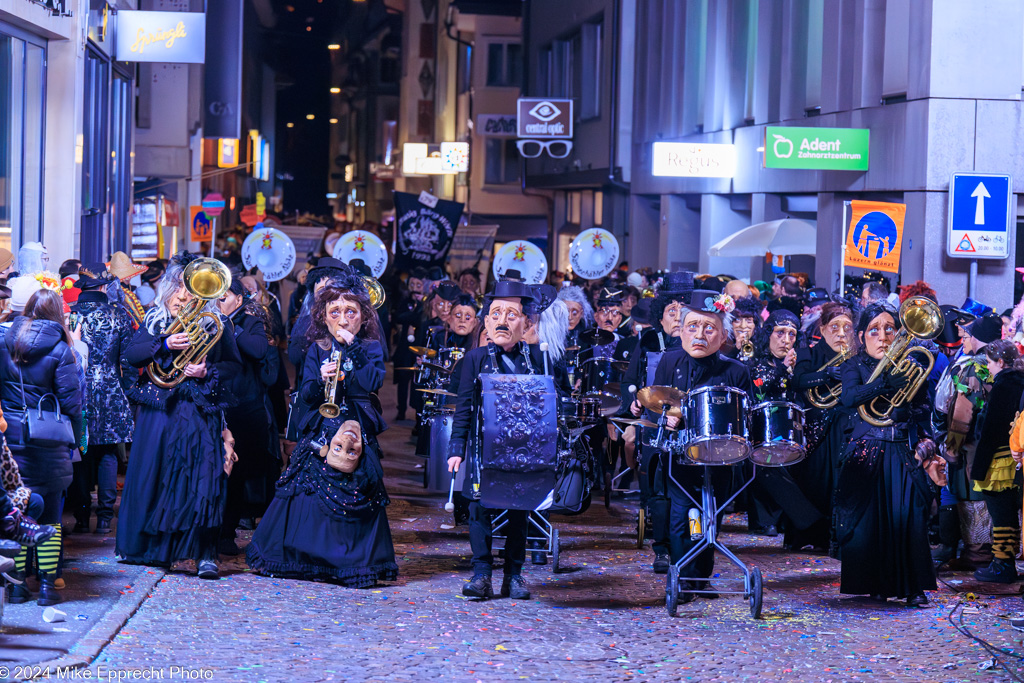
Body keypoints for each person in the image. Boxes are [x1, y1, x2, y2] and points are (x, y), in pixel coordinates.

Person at [116, 253, 242, 579]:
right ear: (167, 289)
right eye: (178, 289)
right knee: (155, 477)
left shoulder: (216, 323)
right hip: (160, 406)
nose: (185, 296)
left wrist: (206, 371)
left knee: (202, 479)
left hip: (199, 407)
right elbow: (131, 355)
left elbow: (234, 368)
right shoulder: (155, 318)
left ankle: (204, 552)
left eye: (192, 290)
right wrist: (164, 342)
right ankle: (156, 550)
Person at [632, 289, 751, 602]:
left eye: (709, 328)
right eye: (693, 327)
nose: (700, 335)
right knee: (682, 515)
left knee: (712, 515)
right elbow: (657, 403)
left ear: (723, 335)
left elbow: (745, 415)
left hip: (720, 457)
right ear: (680, 331)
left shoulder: (736, 370)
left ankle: (701, 577)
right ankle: (683, 576)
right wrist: (667, 415)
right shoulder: (670, 361)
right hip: (680, 455)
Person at [447, 279, 562, 600]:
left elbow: (556, 402)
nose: (502, 320)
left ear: (526, 322)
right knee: (479, 510)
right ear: (485, 321)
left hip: (526, 452)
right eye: (496, 313)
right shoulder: (475, 359)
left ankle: (514, 575)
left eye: (511, 315)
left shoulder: (540, 359)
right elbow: (464, 408)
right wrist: (456, 448)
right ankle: (482, 574)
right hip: (484, 450)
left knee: (519, 512)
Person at [834, 302, 935, 607]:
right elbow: (850, 398)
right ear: (862, 335)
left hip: (900, 450)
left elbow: (923, 413)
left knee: (909, 520)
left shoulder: (912, 366)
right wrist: (883, 383)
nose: (883, 336)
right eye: (874, 330)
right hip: (865, 451)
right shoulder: (853, 365)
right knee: (869, 523)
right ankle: (875, 584)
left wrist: (921, 441)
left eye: (890, 329)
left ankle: (914, 587)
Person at [0, 289, 84, 605]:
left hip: (10, 440)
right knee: (49, 518)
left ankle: (17, 585)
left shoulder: (4, 342)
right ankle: (48, 587)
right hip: (48, 441)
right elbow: (72, 403)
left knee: (17, 514)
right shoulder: (61, 350)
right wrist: (76, 440)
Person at [620, 270, 691, 574]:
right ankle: (661, 548)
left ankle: (691, 546)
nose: (677, 317)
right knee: (657, 489)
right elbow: (630, 381)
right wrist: (633, 404)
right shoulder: (649, 339)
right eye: (671, 311)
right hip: (653, 425)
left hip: (689, 426)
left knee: (690, 489)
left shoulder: (698, 342)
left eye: (683, 310)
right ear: (660, 315)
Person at [68, 273, 135, 535]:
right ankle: (106, 517)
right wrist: (127, 388)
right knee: (108, 453)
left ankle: (83, 516)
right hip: (110, 387)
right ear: (103, 287)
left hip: (78, 387)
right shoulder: (118, 314)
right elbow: (128, 358)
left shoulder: (72, 315)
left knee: (82, 453)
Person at [788, 301, 855, 550]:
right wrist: (827, 374)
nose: (840, 333)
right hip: (816, 430)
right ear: (823, 328)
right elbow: (798, 381)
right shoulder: (809, 353)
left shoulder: (857, 357)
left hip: (845, 427)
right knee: (815, 482)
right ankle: (811, 533)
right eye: (834, 327)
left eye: (847, 328)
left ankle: (838, 536)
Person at [217, 279, 278, 555]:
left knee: (236, 474)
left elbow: (258, 350)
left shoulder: (250, 323)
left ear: (238, 300)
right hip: (213, 405)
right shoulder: (205, 320)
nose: (218, 301)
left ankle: (226, 533)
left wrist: (229, 326)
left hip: (241, 408)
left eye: (224, 296)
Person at [294, 276, 386, 443]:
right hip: (323, 426)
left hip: (359, 427)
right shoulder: (317, 348)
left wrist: (354, 347)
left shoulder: (370, 347)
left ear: (363, 316)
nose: (343, 321)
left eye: (351, 312)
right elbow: (306, 395)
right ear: (324, 317)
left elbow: (373, 384)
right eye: (334, 312)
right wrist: (320, 380)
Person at [969, 340, 1024, 582]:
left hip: (1000, 459)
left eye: (990, 362)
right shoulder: (1019, 380)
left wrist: (979, 464)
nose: (988, 367)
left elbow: (991, 428)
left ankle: (1003, 564)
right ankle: (1004, 562)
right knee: (1009, 512)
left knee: (1001, 514)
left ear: (1000, 362)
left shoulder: (1004, 384)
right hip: (1013, 458)